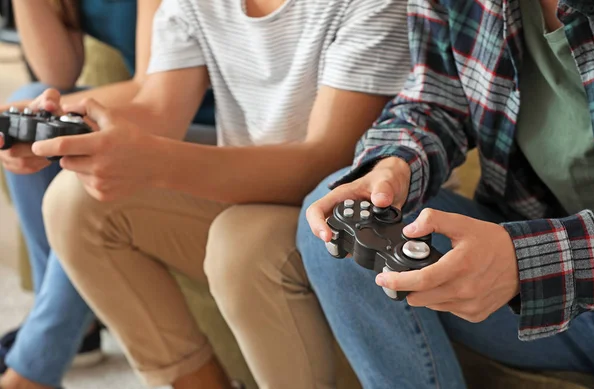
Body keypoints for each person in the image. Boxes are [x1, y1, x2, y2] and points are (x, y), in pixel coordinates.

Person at [26, 0, 412, 387]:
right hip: (254, 194)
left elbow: (325, 162)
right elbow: (159, 109)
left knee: (241, 243)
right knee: (73, 201)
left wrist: (159, 163)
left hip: (349, 214)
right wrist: (64, 130)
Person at [298, 0, 594, 387]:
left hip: (558, 270)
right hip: (536, 287)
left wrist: (527, 261)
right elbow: (436, 98)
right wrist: (394, 164)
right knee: (338, 227)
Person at [0, 1, 211, 388]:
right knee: (31, 113)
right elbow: (56, 72)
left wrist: (43, 117)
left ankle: (34, 367)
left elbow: (152, 94)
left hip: (198, 119)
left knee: (52, 132)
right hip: (156, 108)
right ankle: (72, 328)